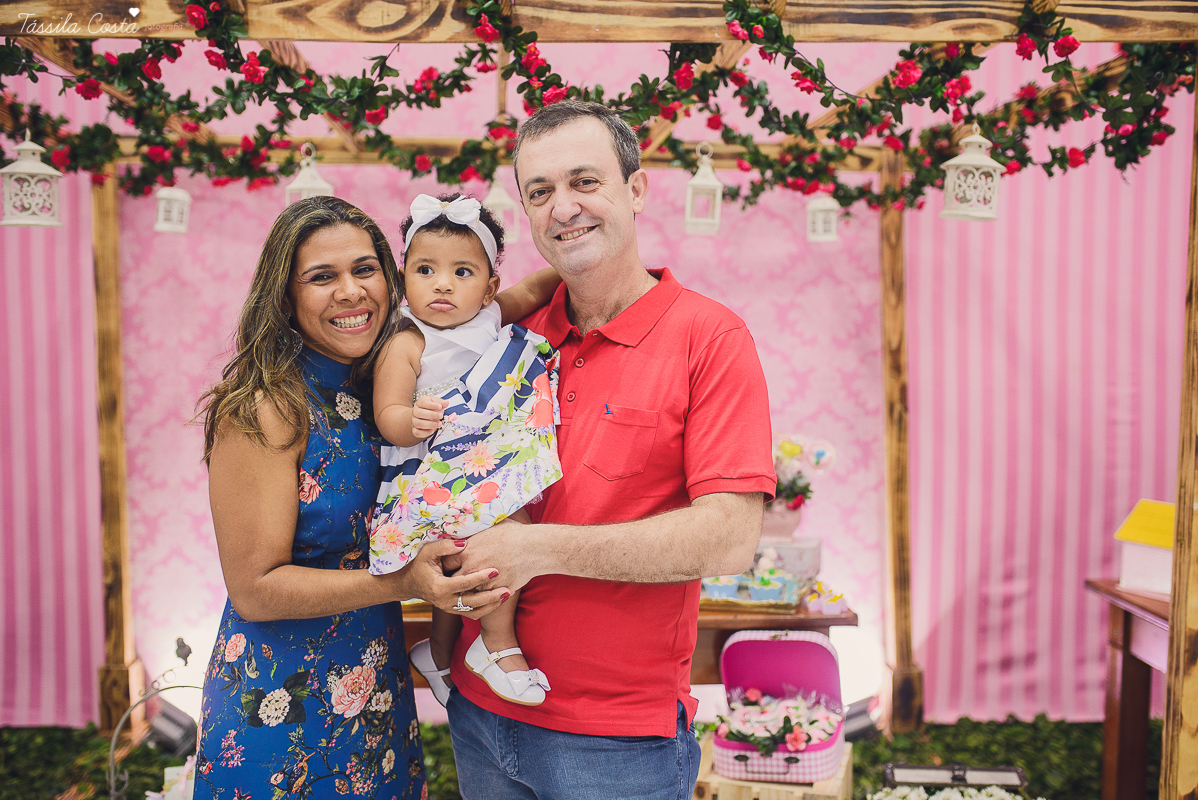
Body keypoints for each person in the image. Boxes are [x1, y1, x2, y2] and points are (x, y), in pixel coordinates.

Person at [443, 100, 777, 799]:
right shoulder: (509, 335)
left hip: (615, 744)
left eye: (584, 181)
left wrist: (537, 550)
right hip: (477, 709)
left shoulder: (709, 338)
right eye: (540, 192)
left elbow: (729, 538)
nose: (563, 207)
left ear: (636, 189)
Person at [193, 196, 508, 800]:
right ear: (285, 297)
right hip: (279, 707)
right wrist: (403, 583)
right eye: (322, 277)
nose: (351, 292)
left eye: (365, 270)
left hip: (375, 689)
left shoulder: (384, 384)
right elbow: (254, 590)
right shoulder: (265, 406)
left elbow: (502, 305)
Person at [368, 193, 563, 707]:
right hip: (433, 470)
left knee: (464, 560)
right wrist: (410, 420)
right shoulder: (406, 342)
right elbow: (387, 414)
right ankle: (497, 645)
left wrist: (573, 265)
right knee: (503, 538)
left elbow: (541, 284)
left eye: (462, 272)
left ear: (489, 287)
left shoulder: (493, 317)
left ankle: (438, 651)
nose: (442, 284)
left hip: (483, 461)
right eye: (425, 269)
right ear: (403, 279)